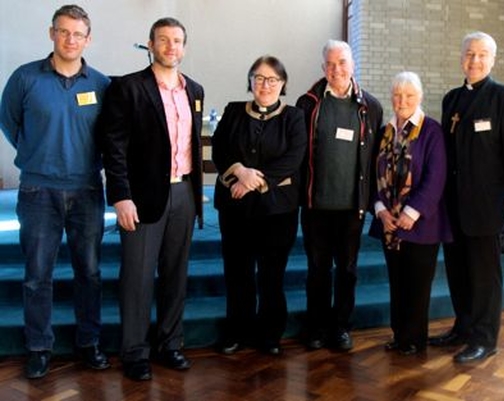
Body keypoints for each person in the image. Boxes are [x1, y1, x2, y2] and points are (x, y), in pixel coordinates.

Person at [0, 5, 110, 379]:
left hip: (87, 190)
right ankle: (38, 347)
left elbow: (108, 135)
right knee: (37, 274)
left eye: (78, 34)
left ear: (88, 39)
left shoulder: (100, 84)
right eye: (63, 32)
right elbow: (9, 119)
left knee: (90, 273)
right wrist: (35, 153)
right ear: (51, 33)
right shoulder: (25, 78)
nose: (70, 40)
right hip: (38, 190)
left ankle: (88, 342)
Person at [98, 17, 204, 381]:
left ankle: (170, 344)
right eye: (164, 40)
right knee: (138, 278)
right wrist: (121, 197)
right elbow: (113, 146)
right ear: (151, 44)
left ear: (184, 47)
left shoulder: (195, 90)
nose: (171, 46)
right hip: (142, 198)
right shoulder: (128, 88)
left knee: (176, 274)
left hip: (184, 193)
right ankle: (135, 352)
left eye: (177, 40)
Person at [429, 31, 504, 363]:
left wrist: (502, 194)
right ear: (462, 58)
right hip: (453, 205)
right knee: (458, 271)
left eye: (482, 55)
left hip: (486, 206)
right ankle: (463, 327)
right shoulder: (451, 99)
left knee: (485, 276)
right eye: (469, 54)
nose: (475, 60)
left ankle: (485, 339)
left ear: (492, 59)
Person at [211, 56, 306, 356]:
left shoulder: (294, 117)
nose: (265, 85)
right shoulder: (233, 111)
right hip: (236, 209)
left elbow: (293, 158)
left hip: (278, 211)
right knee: (237, 272)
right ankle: (237, 331)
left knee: (271, 274)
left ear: (283, 83)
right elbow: (220, 149)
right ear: (250, 81)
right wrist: (239, 171)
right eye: (259, 78)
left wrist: (253, 181)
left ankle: (269, 334)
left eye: (272, 79)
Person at [296, 39, 383, 351]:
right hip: (315, 205)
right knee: (317, 269)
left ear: (353, 64)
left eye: (342, 62)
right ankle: (317, 328)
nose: (337, 70)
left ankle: (342, 328)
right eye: (330, 64)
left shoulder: (370, 107)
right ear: (323, 68)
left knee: (347, 270)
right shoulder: (307, 104)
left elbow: (374, 158)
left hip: (351, 207)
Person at [368, 72, 451, 355]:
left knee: (417, 286)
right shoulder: (384, 132)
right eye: (397, 95)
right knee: (397, 283)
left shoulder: (432, 131)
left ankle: (415, 339)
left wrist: (412, 212)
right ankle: (400, 336)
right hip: (389, 224)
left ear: (420, 98)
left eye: (409, 96)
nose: (402, 101)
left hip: (421, 225)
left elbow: (436, 177)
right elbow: (372, 176)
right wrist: (380, 210)